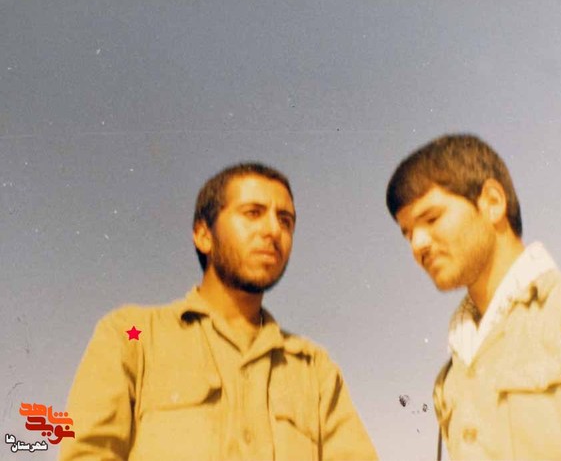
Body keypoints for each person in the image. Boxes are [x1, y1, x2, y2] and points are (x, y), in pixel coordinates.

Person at [60, 162, 377, 461]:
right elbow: (89, 452)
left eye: (285, 220)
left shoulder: (314, 369)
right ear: (203, 235)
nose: (273, 230)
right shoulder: (133, 336)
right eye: (253, 213)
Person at [385, 135, 561, 460]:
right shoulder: (450, 378)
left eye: (431, 218)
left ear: (493, 202)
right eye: (408, 233)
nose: (418, 244)